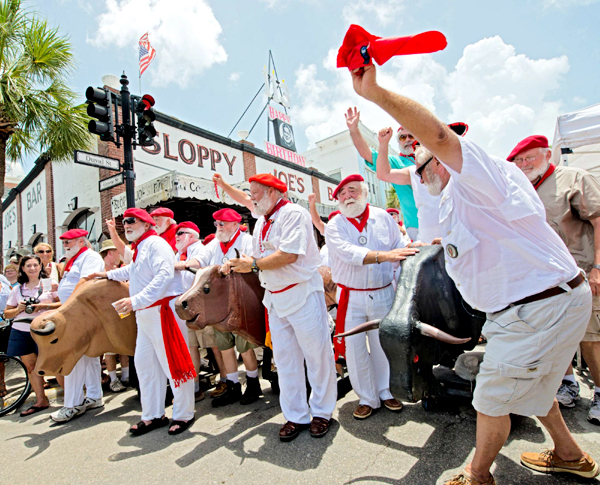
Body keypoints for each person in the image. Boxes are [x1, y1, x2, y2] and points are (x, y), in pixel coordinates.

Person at [350, 63, 598, 483]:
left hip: (536, 309)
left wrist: (376, 94)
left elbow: (441, 138)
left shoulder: (473, 173)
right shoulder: (457, 196)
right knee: (536, 388)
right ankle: (570, 453)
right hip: (533, 307)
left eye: (423, 165)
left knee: (491, 398)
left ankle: (477, 474)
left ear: (440, 160)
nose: (419, 174)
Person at [213, 172, 338, 442]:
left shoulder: (294, 213)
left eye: (255, 192)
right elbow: (247, 208)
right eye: (251, 193)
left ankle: (322, 412)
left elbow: (290, 254)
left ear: (272, 192)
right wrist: (223, 186)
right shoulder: (262, 220)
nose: (252, 197)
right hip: (276, 297)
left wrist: (253, 264)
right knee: (285, 360)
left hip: (302, 293)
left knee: (316, 356)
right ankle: (295, 416)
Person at [508, 135, 600, 425]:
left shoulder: (574, 178)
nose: (524, 164)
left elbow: (598, 220)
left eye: (530, 157)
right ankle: (568, 384)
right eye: (519, 161)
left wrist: (598, 266)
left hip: (581, 273)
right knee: (555, 336)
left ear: (548, 155)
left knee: (590, 336)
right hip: (543, 280)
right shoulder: (521, 190)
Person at [89, 208, 195, 436]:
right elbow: (134, 271)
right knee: (146, 367)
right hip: (147, 313)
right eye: (124, 222)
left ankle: (184, 413)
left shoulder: (156, 244)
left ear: (147, 225)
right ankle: (153, 415)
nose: (126, 225)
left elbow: (164, 275)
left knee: (173, 365)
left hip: (162, 312)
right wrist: (105, 275)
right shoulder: (141, 247)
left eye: (131, 221)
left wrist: (136, 300)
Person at [326, 174, 416, 419]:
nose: (348, 197)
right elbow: (347, 252)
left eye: (352, 190)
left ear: (364, 193)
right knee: (355, 350)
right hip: (351, 296)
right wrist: (383, 256)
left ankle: (386, 392)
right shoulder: (334, 224)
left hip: (383, 292)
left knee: (382, 346)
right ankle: (366, 397)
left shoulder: (383, 217)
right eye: (342, 194)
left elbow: (400, 244)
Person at [188, 209, 262, 408]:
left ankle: (253, 384)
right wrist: (183, 264)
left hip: (241, 301)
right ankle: (233, 385)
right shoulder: (214, 244)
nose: (219, 226)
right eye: (217, 223)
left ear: (235, 225)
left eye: (223, 223)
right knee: (225, 347)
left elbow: (253, 260)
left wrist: (232, 264)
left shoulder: (246, 240)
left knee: (244, 346)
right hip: (220, 305)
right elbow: (201, 260)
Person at [50, 230, 105, 423]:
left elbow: (85, 283)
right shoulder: (73, 259)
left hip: (80, 313)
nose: (65, 245)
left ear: (81, 241)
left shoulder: (89, 257)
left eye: (69, 242)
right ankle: (94, 396)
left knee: (73, 356)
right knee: (88, 357)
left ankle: (72, 404)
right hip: (75, 312)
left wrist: (67, 306)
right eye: (64, 242)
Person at [172, 221, 228, 401]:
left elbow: (198, 264)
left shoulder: (199, 248)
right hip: (186, 307)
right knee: (191, 348)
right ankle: (195, 387)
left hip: (203, 305)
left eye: (180, 233)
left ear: (190, 235)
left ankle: (226, 379)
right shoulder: (178, 253)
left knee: (215, 345)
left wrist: (181, 265)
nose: (176, 237)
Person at [345, 106, 419, 240]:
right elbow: (366, 154)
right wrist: (354, 130)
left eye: (411, 136)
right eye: (403, 137)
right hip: (418, 228)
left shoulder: (432, 157)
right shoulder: (396, 162)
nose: (407, 139)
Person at [4, 255, 61, 416]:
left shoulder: (49, 284)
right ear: (22, 268)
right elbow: (7, 314)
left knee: (52, 365)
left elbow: (62, 304)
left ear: (40, 267)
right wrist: (18, 309)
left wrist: (43, 306)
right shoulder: (17, 289)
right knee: (31, 367)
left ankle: (71, 400)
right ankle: (41, 400)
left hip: (43, 330)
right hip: (21, 330)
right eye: (28, 265)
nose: (32, 268)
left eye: (35, 265)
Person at [375, 126, 443, 243]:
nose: (421, 181)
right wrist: (383, 143)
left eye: (412, 136)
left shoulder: (451, 167)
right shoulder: (412, 172)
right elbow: (383, 174)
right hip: (427, 240)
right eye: (403, 137)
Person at [98, 239, 130, 393]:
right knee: (110, 348)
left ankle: (125, 376)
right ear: (110, 252)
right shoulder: (100, 270)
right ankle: (113, 379)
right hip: (107, 313)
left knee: (123, 344)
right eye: (117, 251)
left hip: (123, 311)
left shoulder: (120, 269)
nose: (120, 254)